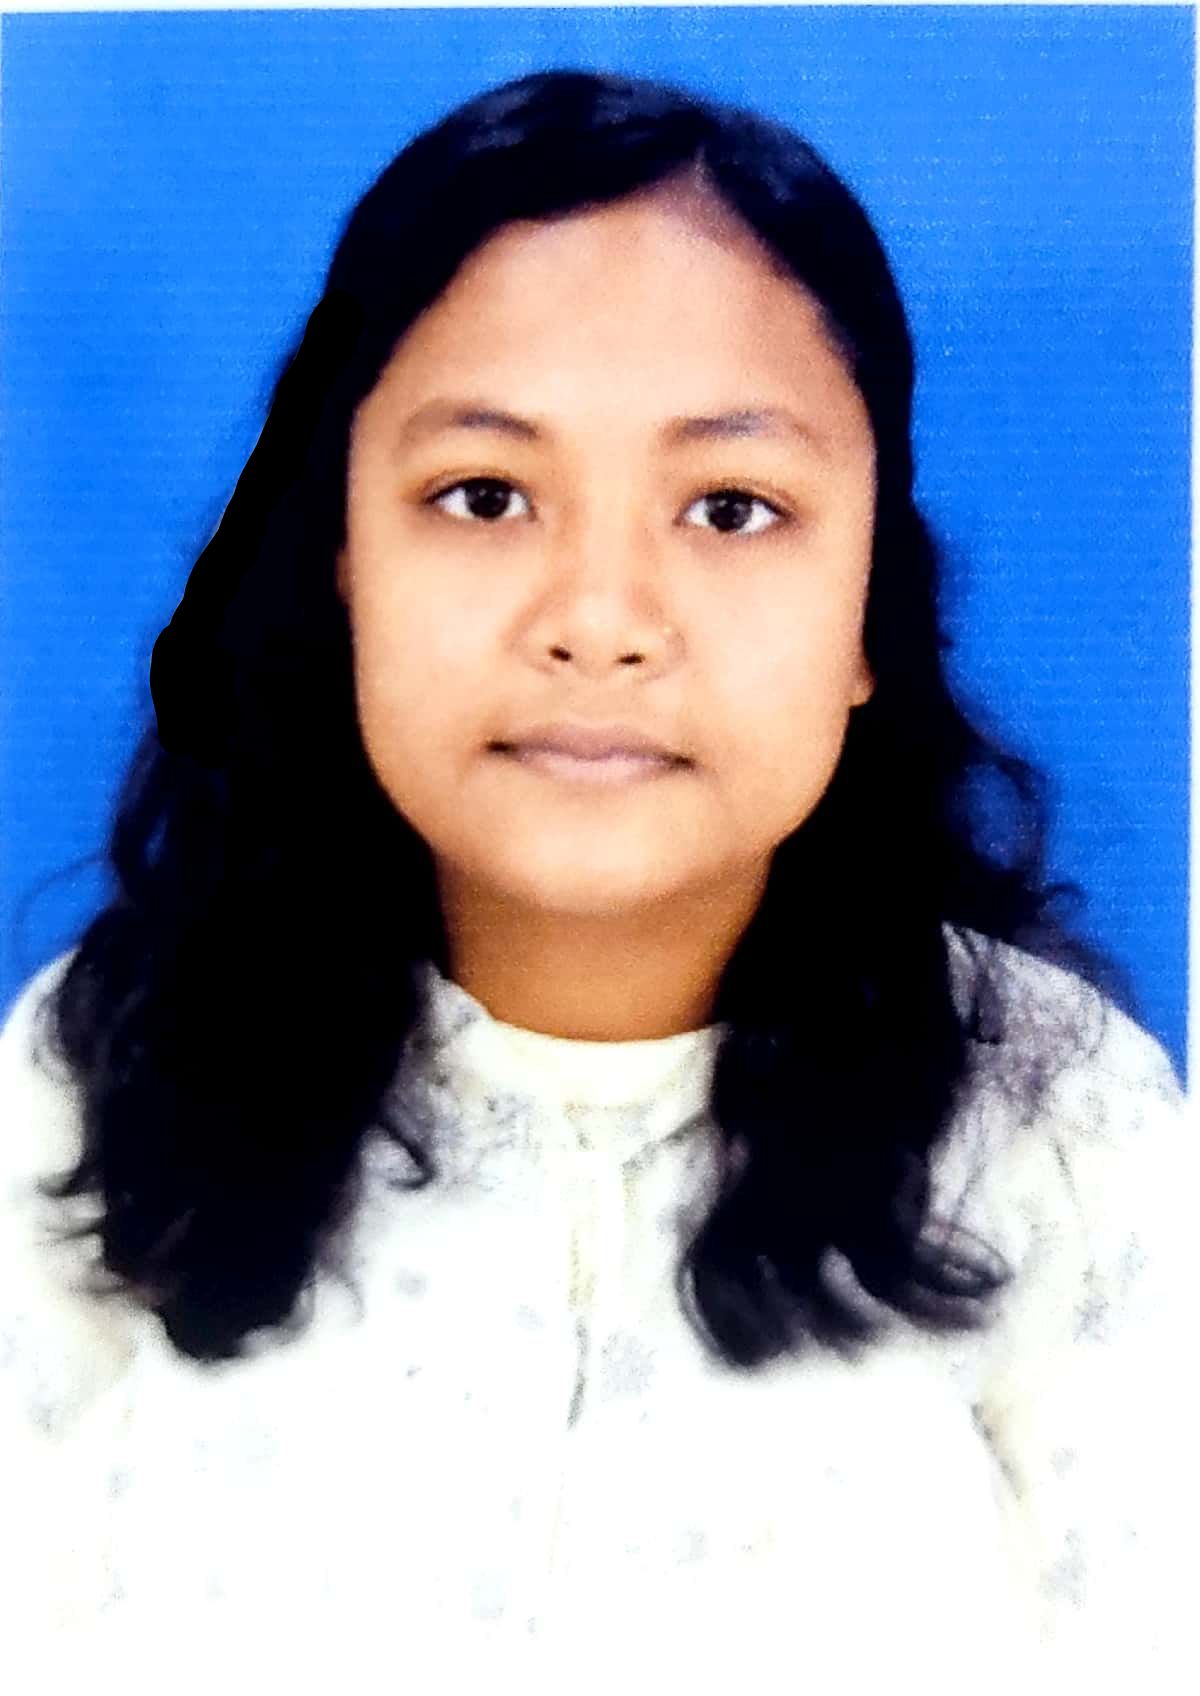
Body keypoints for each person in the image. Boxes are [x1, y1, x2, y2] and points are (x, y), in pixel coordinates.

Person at [0, 67, 1192, 1693]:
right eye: (485, 496)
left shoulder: (1063, 1129)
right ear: (343, 565)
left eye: (732, 507)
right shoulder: (97, 1078)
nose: (601, 618)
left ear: (870, 615)